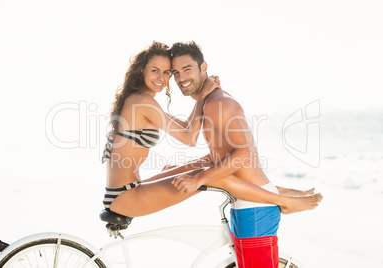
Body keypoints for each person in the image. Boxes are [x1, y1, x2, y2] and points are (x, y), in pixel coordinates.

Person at [102, 41, 322, 221]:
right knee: (209, 177)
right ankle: (284, 202)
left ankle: (275, 190)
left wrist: (204, 97)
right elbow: (189, 136)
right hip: (126, 196)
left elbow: (187, 130)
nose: (162, 78)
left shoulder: (140, 100)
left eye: (167, 72)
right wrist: (205, 95)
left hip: (128, 189)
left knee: (208, 164)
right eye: (155, 71)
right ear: (142, 71)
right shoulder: (142, 101)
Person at [168, 41, 323, 268]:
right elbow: (220, 160)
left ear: (204, 68)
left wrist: (199, 178)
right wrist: (177, 170)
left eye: (187, 69)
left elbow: (243, 155)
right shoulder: (210, 103)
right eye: (175, 73)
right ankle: (283, 197)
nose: (181, 78)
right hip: (247, 205)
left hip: (255, 210)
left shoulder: (218, 103)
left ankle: (284, 200)